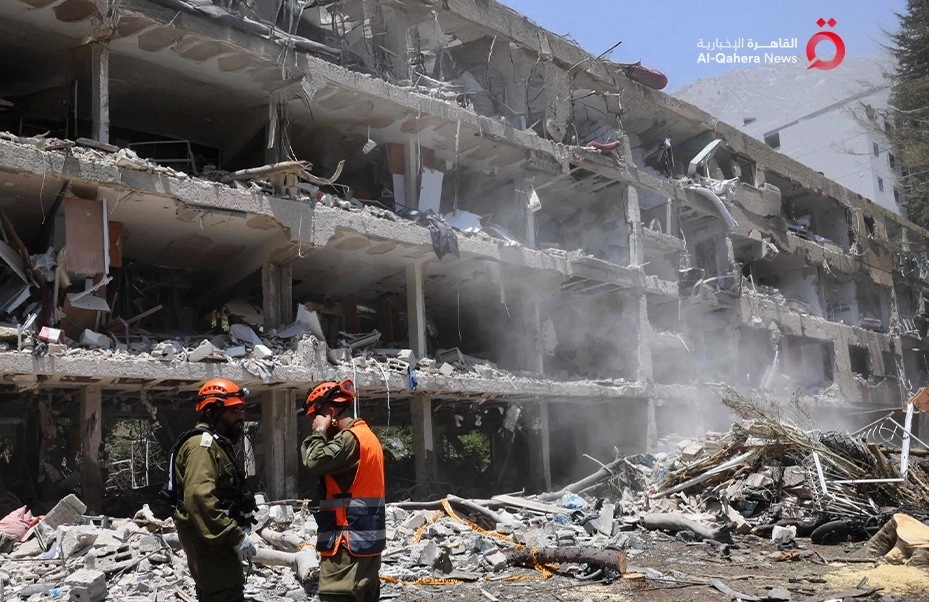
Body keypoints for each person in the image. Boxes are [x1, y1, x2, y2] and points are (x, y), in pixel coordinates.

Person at [164, 378, 258, 601]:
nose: (241, 416)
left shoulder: (217, 443)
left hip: (216, 543)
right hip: (209, 545)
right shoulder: (202, 447)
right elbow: (199, 497)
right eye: (234, 411)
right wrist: (235, 536)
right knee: (224, 595)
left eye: (242, 410)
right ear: (212, 412)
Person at [300, 379, 385, 602]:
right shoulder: (367, 436)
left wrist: (319, 430)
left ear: (329, 412)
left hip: (346, 545)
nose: (313, 422)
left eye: (315, 417)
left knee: (335, 596)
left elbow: (314, 460)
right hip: (366, 542)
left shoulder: (349, 440)